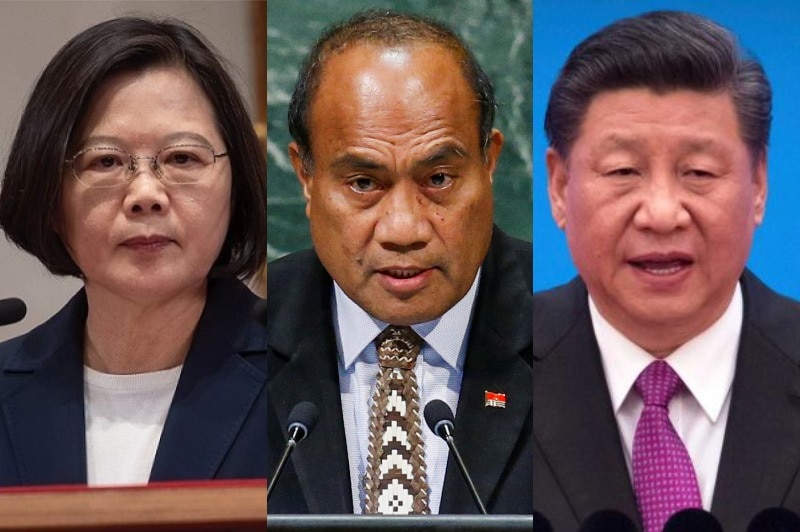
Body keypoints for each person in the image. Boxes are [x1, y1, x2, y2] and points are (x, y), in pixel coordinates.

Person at [534, 10, 800, 532]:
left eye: (699, 173)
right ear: (561, 187)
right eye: (623, 171)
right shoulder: (486, 376)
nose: (660, 213)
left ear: (760, 184)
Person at [266, 10, 532, 515]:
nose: (404, 230)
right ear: (305, 175)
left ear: (489, 162)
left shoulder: (567, 329)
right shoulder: (239, 339)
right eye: (364, 183)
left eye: (439, 179)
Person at [0, 17, 267, 486]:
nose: (146, 193)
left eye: (182, 158)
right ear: (49, 197)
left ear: (236, 185)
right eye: (105, 161)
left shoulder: (303, 381)